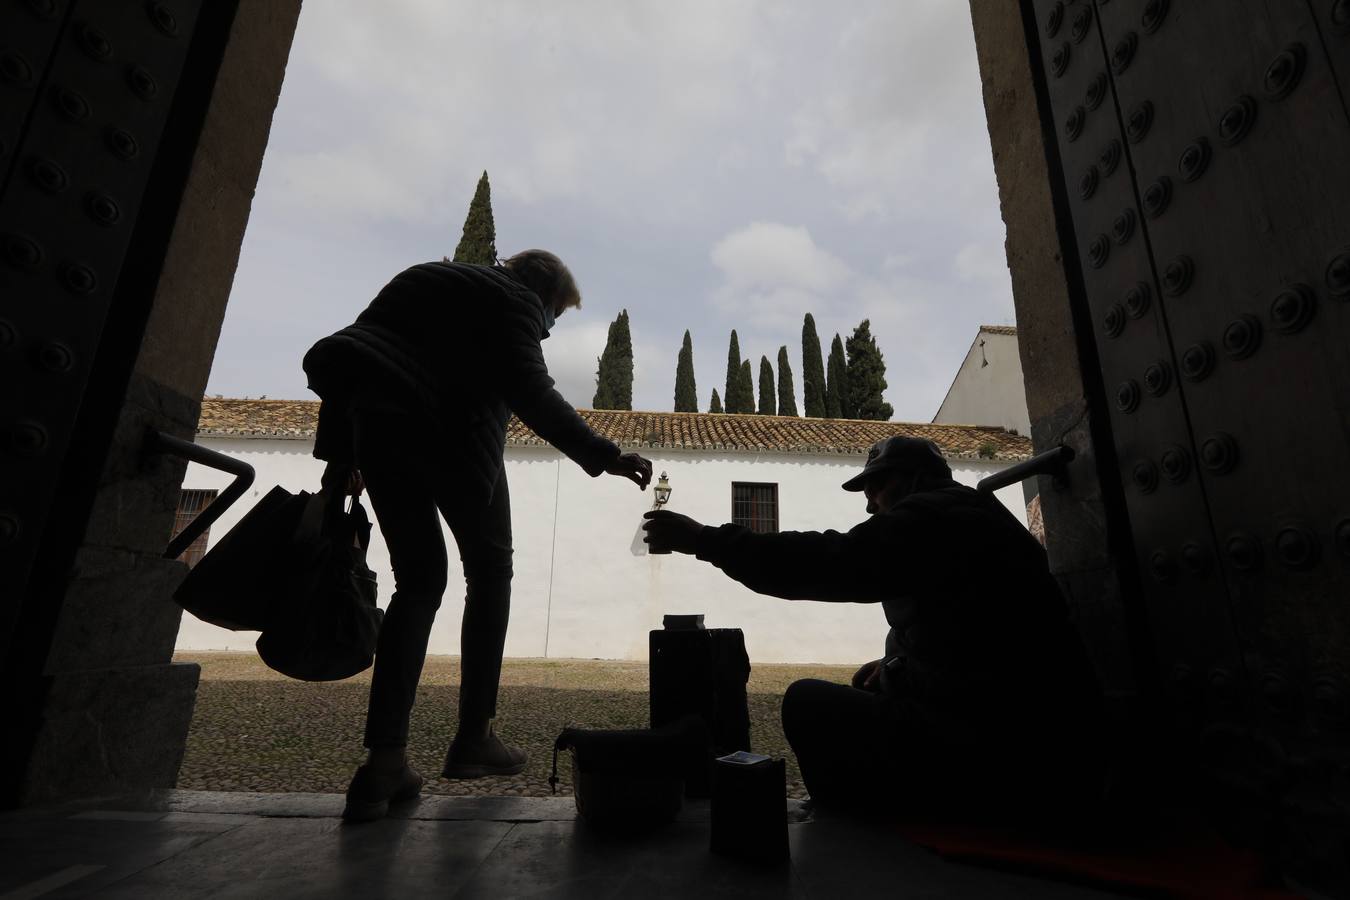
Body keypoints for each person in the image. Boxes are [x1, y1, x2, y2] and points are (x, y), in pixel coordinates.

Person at [304, 250, 652, 822]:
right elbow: (531, 391)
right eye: (555, 317)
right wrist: (606, 455)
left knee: (417, 586)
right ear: (543, 291)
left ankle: (383, 764)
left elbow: (355, 359)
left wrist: (340, 456)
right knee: (491, 574)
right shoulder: (514, 298)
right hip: (456, 438)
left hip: (380, 433)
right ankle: (473, 738)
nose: (547, 327)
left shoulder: (417, 275)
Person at [642, 435, 1102, 819]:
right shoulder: (972, 513)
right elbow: (975, 637)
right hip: (1026, 729)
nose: (868, 506)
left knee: (806, 702)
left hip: (1005, 748)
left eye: (875, 490)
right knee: (867, 686)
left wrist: (704, 539)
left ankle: (855, 821)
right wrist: (896, 666)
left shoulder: (931, 519)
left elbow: (828, 561)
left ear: (910, 480)